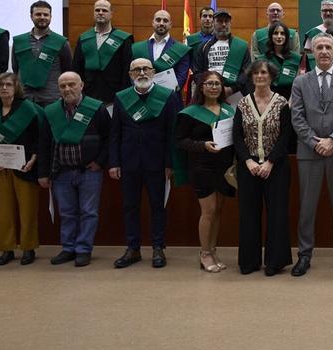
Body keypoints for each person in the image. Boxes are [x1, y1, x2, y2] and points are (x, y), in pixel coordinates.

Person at [289, 35, 333, 276]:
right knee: (307, 207)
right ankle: (304, 255)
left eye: (328, 47)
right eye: (319, 47)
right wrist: (314, 141)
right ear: (312, 52)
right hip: (309, 153)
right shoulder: (300, 82)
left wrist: (332, 140)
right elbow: (296, 117)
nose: (324, 51)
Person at [109, 58, 179, 269]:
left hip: (157, 162)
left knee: (158, 207)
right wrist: (114, 162)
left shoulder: (168, 97)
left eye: (145, 69)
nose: (141, 73)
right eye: (136, 70)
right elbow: (115, 133)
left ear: (153, 72)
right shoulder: (121, 98)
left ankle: (158, 248)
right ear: (130, 74)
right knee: (130, 207)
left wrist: (170, 163)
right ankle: (133, 249)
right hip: (128, 162)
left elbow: (172, 133)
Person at [38, 72, 112, 268]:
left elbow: (109, 138)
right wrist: (43, 173)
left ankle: (83, 250)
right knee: (67, 213)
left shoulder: (96, 108)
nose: (67, 89)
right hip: (61, 171)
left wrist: (100, 162)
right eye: (62, 86)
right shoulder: (51, 111)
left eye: (71, 84)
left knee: (89, 212)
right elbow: (44, 143)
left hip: (90, 171)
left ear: (81, 86)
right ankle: (68, 248)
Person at [233, 60, 294, 276]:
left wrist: (270, 162)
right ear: (251, 76)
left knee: (277, 214)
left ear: (272, 76)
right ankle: (249, 262)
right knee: (248, 214)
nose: (260, 76)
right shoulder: (242, 104)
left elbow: (285, 136)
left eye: (264, 73)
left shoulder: (282, 103)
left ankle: (274, 263)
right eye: (257, 73)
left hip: (275, 167)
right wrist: (248, 161)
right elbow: (237, 136)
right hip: (248, 167)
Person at [175, 71, 236, 273]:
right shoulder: (190, 112)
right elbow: (181, 141)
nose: (213, 87)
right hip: (203, 166)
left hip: (224, 167)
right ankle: (204, 253)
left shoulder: (229, 110)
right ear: (201, 87)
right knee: (208, 211)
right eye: (209, 83)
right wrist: (203, 145)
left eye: (217, 84)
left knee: (218, 210)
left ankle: (213, 249)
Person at [0, 72, 44, 266]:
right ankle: (7, 249)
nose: (4, 88)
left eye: (8, 84)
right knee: (4, 211)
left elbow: (39, 138)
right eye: (0, 85)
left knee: (28, 210)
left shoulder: (29, 109)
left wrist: (34, 159)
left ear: (15, 87)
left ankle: (28, 248)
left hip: (24, 167)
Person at [72, 0, 134, 107]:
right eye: (97, 10)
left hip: (114, 97)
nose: (100, 12)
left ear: (111, 14)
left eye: (104, 10)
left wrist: (123, 96)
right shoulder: (84, 38)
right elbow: (77, 68)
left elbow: (127, 70)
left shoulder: (123, 39)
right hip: (88, 95)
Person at [12, 0, 72, 106]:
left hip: (51, 98)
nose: (42, 17)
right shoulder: (19, 41)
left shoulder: (61, 42)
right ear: (31, 16)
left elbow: (67, 70)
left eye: (46, 14)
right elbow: (16, 68)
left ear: (50, 17)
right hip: (24, 97)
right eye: (38, 14)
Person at [191, 9, 250, 102]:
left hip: (234, 94)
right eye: (219, 21)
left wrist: (232, 89)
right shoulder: (203, 46)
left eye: (226, 21)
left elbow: (246, 71)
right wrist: (206, 87)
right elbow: (197, 71)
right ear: (213, 23)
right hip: (208, 93)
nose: (223, 24)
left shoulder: (241, 46)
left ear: (230, 23)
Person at [132, 9, 191, 95]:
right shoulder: (138, 48)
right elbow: (132, 73)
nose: (161, 23)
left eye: (165, 21)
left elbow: (181, 77)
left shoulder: (180, 49)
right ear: (153, 23)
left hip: (169, 98)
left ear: (170, 25)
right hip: (142, 96)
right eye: (158, 20)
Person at [256, 21, 301, 99]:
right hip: (268, 101)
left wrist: (290, 103)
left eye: (282, 33)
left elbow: (298, 86)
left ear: (286, 36)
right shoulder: (262, 59)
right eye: (276, 33)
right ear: (271, 36)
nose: (279, 36)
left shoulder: (296, 59)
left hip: (291, 101)